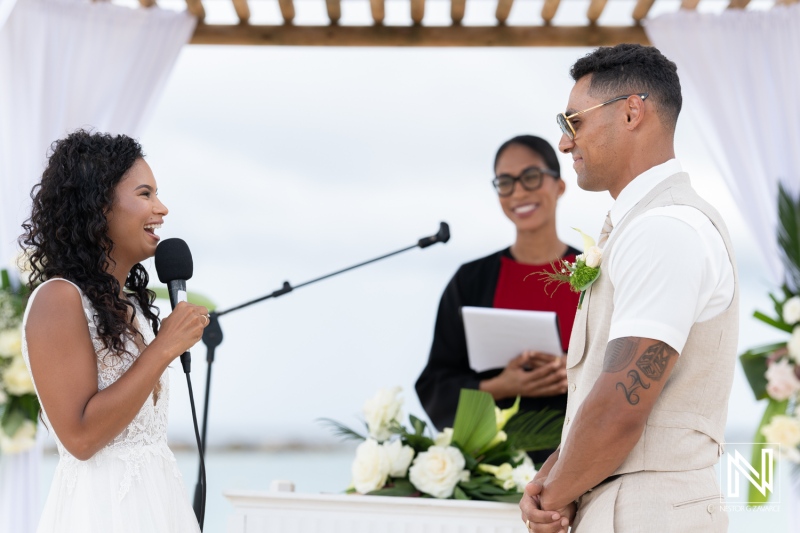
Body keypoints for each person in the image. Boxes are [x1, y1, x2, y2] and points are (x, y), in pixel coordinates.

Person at [520, 44, 737, 533]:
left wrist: (551, 497)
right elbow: (603, 390)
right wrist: (558, 474)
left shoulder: (665, 229)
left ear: (632, 112)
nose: (563, 142)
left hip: (649, 513)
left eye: (572, 121)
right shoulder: (643, 226)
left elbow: (622, 402)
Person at [19, 130, 208, 532]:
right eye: (145, 194)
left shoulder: (134, 307)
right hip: (100, 515)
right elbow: (81, 438)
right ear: (99, 204)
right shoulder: (58, 299)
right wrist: (164, 348)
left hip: (159, 507)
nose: (162, 208)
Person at [415, 135, 581, 464]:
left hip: (578, 465)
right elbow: (436, 383)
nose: (518, 192)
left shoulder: (593, 276)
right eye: (505, 182)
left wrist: (576, 373)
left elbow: (623, 369)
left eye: (531, 177)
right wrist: (500, 385)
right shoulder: (470, 281)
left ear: (559, 186)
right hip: (492, 467)